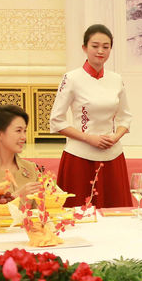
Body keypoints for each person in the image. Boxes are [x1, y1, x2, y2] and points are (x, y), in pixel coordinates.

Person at [50, 24, 132, 207]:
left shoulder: (116, 79)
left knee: (116, 215)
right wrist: (89, 138)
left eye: (106, 46)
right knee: (77, 215)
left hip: (113, 156)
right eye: (95, 46)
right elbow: (56, 121)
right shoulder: (71, 78)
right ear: (84, 48)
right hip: (79, 157)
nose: (100, 51)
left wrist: (115, 137)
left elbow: (125, 117)